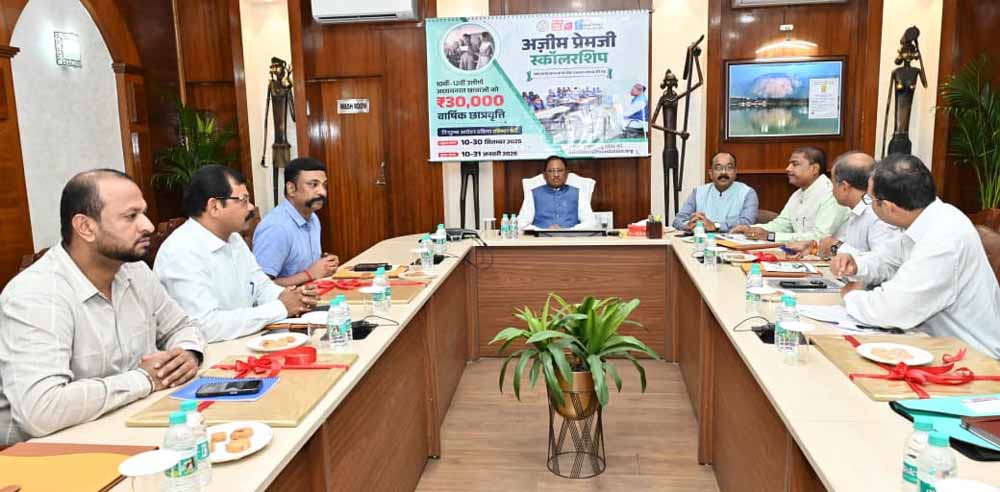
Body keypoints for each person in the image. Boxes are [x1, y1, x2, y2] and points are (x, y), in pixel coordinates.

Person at [0, 169, 205, 446]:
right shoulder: (36, 294)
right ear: (85, 227)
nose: (147, 225)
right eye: (131, 216)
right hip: (49, 450)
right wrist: (144, 380)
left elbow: (182, 326)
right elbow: (40, 410)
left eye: (143, 213)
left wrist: (187, 354)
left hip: (132, 423)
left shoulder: (134, 271)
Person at [831, 154, 1000, 359]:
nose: (870, 205)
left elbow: (893, 310)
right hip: (934, 343)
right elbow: (889, 258)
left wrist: (851, 297)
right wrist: (857, 265)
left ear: (890, 207)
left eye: (870, 200)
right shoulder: (929, 216)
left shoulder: (943, 239)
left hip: (972, 358)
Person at [155, 165, 316, 343]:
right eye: (243, 200)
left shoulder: (233, 238)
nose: (251, 207)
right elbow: (205, 326)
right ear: (214, 207)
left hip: (245, 340)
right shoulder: (181, 252)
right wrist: (280, 307)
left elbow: (261, 286)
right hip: (210, 351)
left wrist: (288, 297)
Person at [785, 151, 899, 257]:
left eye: (833, 182)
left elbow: (884, 262)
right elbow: (844, 246)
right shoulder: (856, 210)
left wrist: (836, 247)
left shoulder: (878, 215)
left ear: (844, 187)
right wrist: (814, 247)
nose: (831, 188)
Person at [732, 147, 850, 242]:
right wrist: (750, 229)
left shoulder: (832, 194)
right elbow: (782, 225)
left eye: (795, 164)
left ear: (814, 169)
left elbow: (820, 237)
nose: (788, 168)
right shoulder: (798, 194)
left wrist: (771, 236)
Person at [253, 157, 339, 287]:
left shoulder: (313, 218)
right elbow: (259, 287)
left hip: (312, 292)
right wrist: (309, 274)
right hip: (286, 299)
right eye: (313, 185)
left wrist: (326, 264)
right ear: (291, 189)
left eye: (324, 185)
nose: (322, 192)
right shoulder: (276, 227)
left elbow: (304, 265)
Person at [672, 152, 758, 232]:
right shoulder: (698, 192)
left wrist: (715, 226)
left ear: (735, 172)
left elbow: (746, 222)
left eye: (729, 168)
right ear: (710, 173)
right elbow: (678, 220)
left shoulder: (748, 193)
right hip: (702, 240)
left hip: (732, 242)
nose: (723, 172)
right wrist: (688, 225)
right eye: (718, 168)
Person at [516, 155, 598, 230]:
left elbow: (590, 222)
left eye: (560, 170)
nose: (556, 175)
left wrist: (567, 231)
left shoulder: (579, 193)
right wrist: (544, 231)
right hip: (541, 239)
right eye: (551, 171)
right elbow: (521, 223)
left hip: (571, 239)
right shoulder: (533, 194)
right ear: (544, 175)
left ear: (566, 174)